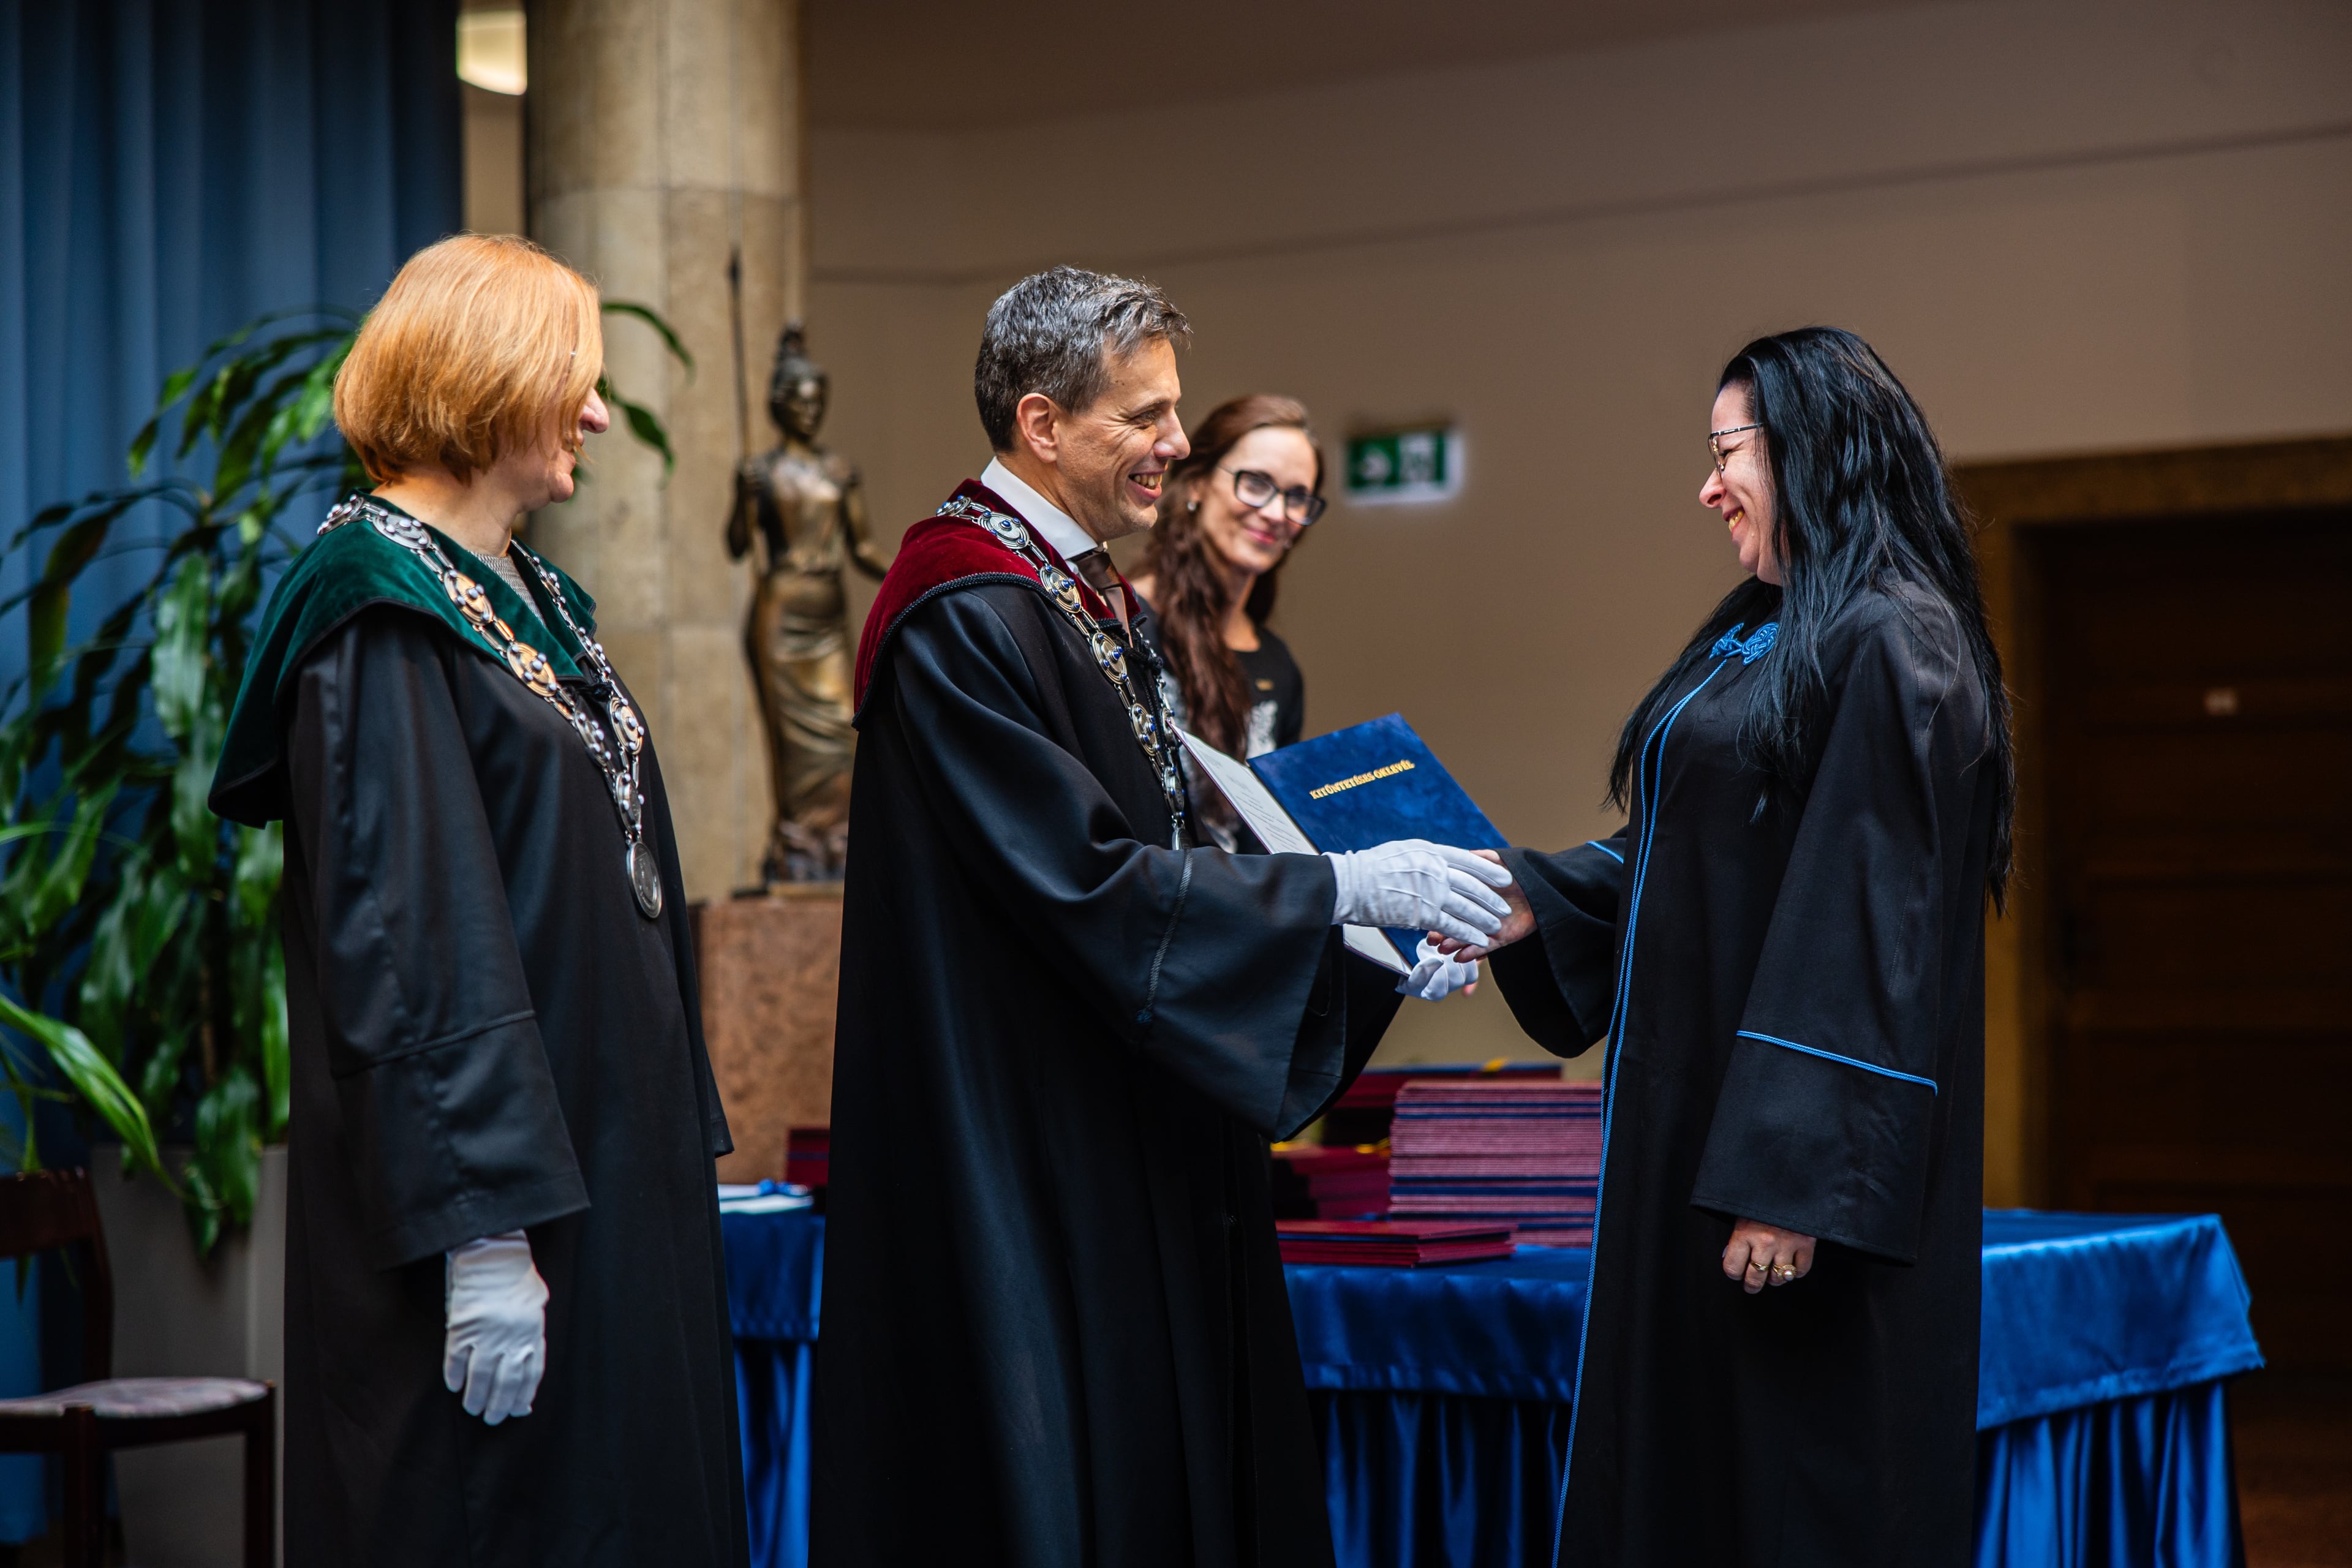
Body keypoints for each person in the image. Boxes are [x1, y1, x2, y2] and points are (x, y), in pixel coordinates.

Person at [814, 265, 1512, 1567]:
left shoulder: (1074, 594)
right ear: (1041, 424)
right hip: (1034, 1153)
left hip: (1126, 1124)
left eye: (1175, 411)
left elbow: (1172, 861)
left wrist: (1359, 947)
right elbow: (1087, 885)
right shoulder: (967, 610)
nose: (1177, 444)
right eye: (1144, 416)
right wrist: (1345, 889)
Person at [1428, 326, 2013, 1566]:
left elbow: (1870, 916)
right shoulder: (1766, 623)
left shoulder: (1896, 637)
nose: (1708, 489)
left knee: (1789, 1489)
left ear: (1809, 447)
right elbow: (1688, 847)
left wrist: (1791, 1177)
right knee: (1687, 1479)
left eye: (1725, 453)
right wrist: (1537, 896)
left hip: (1786, 1185)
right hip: (1695, 1140)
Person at [209, 235, 745, 1567]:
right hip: (496, 1209)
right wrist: (482, 1230)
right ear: (488, 376)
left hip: (603, 1173)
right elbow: (412, 931)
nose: (599, 416)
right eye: (578, 379)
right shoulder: (377, 606)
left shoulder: (528, 594)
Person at [1128, 394, 1324, 848]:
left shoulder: (1278, 665)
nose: (1276, 513)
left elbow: (1271, 841)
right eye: (1256, 483)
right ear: (1197, 484)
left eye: (1297, 497)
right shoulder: (1120, 622)